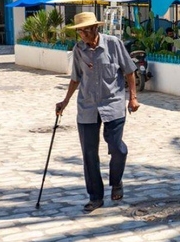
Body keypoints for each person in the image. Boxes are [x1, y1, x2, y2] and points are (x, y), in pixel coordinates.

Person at [56, 12, 139, 213]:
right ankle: (95, 197)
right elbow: (76, 78)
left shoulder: (113, 44)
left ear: (95, 28)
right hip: (87, 107)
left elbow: (129, 71)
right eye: (79, 31)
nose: (82, 34)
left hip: (114, 105)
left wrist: (133, 98)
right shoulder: (78, 50)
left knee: (117, 148)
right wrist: (65, 101)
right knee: (89, 154)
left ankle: (116, 181)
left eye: (85, 30)